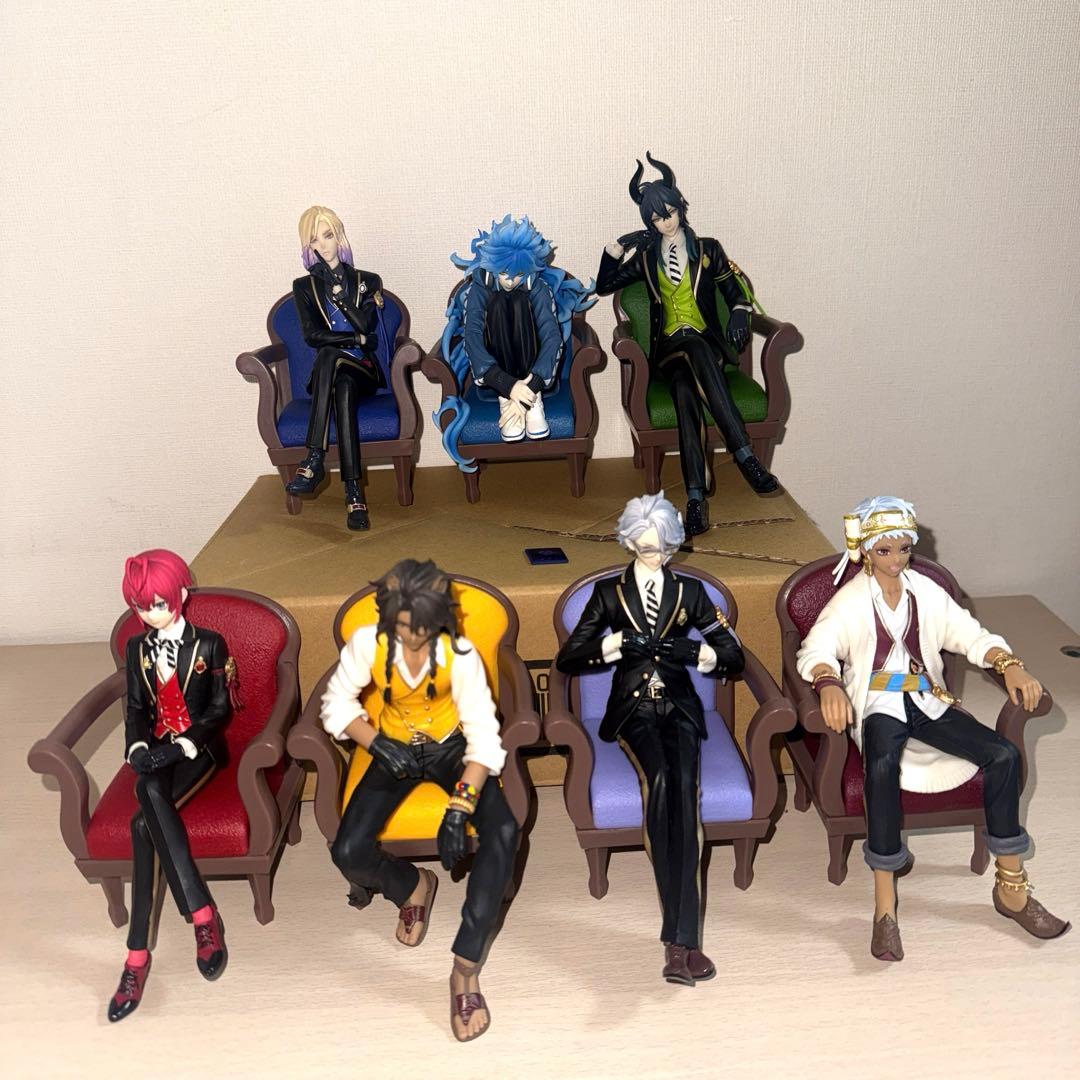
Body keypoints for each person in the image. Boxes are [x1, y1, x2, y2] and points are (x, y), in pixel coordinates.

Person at [796, 496, 1070, 960]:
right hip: (879, 702)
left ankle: (1011, 887)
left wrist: (1008, 664)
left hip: (928, 699)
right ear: (866, 551)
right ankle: (885, 905)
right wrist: (827, 682)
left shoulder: (925, 591)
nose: (895, 560)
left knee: (1003, 754)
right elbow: (816, 647)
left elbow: (969, 633)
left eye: (903, 549)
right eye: (884, 551)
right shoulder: (851, 600)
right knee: (882, 765)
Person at [320, 559, 519, 1041]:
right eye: (406, 625)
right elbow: (335, 704)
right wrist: (373, 741)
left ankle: (465, 967)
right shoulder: (367, 644)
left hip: (452, 747)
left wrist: (460, 806)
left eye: (427, 626)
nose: (416, 637)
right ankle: (411, 884)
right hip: (392, 747)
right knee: (347, 850)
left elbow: (484, 735)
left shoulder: (461, 655)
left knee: (504, 830)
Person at [556, 492, 744, 985]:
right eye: (643, 547)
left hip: (680, 707)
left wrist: (694, 653)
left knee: (685, 790)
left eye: (660, 547)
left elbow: (732, 655)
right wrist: (616, 644)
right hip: (633, 710)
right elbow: (570, 657)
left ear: (673, 544)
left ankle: (684, 941)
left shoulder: (690, 593)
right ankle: (678, 941)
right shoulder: (609, 594)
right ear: (628, 543)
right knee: (660, 784)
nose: (653, 555)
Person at [596, 153, 779, 534]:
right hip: (667, 348)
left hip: (706, 345)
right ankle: (743, 454)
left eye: (669, 213)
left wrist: (741, 311)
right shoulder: (647, 257)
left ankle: (695, 499)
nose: (665, 222)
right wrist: (618, 247)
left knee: (685, 387)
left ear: (680, 208)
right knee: (683, 363)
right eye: (655, 219)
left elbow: (733, 292)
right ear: (648, 222)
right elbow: (604, 285)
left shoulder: (708, 249)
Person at [108, 549, 235, 1021]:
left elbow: (218, 711)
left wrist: (181, 747)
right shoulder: (136, 648)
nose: (151, 614)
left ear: (182, 593)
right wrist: (138, 747)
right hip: (155, 748)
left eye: (158, 604)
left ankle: (136, 956)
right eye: (141, 606)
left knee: (143, 818)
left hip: (197, 752)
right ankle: (201, 916)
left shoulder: (210, 644)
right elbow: (136, 708)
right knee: (147, 800)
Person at [437, 215, 594, 465]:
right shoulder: (480, 288)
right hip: (493, 383)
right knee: (499, 303)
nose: (510, 280)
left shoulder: (538, 288)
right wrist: (507, 386)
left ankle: (530, 404)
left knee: (519, 301)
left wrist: (531, 388)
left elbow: (552, 336)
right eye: (503, 273)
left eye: (519, 274)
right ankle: (507, 400)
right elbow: (472, 336)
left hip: (536, 380)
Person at [285, 206, 387, 530]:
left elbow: (367, 326)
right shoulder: (303, 287)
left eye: (328, 235)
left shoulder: (367, 280)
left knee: (330, 354)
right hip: (331, 376)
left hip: (363, 369)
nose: (323, 245)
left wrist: (340, 296)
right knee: (339, 381)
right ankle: (354, 495)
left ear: (339, 236)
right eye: (315, 240)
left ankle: (314, 458)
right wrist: (355, 338)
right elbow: (312, 336)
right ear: (308, 247)